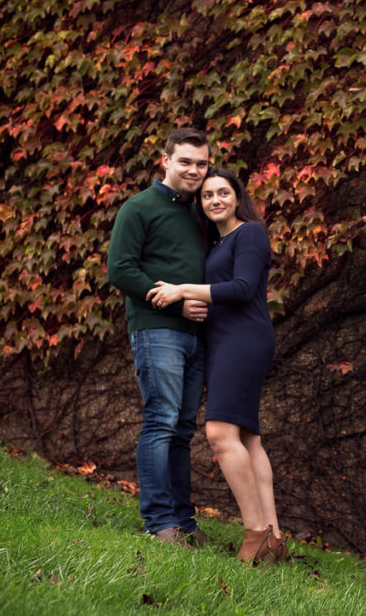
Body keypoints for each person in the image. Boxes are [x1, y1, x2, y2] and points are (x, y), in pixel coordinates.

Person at [146, 167, 287, 564]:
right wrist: (196, 306)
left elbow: (242, 289)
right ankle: (273, 537)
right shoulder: (220, 242)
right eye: (207, 196)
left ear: (237, 196)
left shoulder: (250, 233)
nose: (215, 201)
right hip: (227, 339)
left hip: (244, 341)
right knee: (248, 438)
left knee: (220, 434)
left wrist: (182, 290)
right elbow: (223, 295)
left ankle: (255, 533)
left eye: (223, 193)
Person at [107, 127, 212, 548]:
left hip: (198, 335)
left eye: (201, 163)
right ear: (165, 160)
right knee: (162, 421)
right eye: (184, 161)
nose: (193, 170)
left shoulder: (204, 211)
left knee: (184, 428)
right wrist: (177, 303)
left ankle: (184, 521)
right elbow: (121, 270)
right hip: (157, 329)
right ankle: (159, 523)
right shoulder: (139, 208)